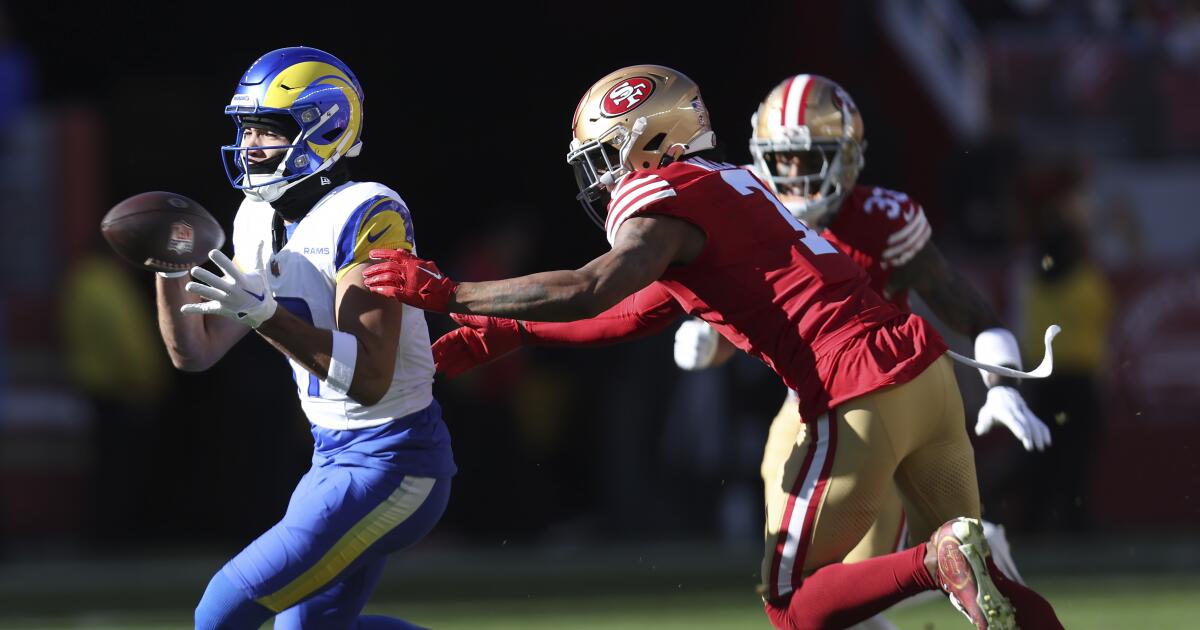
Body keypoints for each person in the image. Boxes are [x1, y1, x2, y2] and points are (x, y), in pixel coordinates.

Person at [364, 65, 1061, 629]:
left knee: (792, 606)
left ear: (654, 140)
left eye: (608, 156)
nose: (603, 178)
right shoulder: (734, 191)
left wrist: (452, 293)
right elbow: (627, 315)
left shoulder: (669, 198)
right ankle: (953, 567)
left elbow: (591, 286)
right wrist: (505, 331)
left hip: (856, 391)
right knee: (989, 582)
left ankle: (931, 563)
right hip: (924, 373)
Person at [154, 46, 454, 629]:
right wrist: (167, 268)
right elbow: (195, 352)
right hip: (331, 458)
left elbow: (369, 378)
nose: (250, 146)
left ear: (328, 127)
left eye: (268, 129)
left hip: (394, 460)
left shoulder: (369, 212)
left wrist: (265, 316)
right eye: (246, 130)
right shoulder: (253, 216)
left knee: (221, 609)